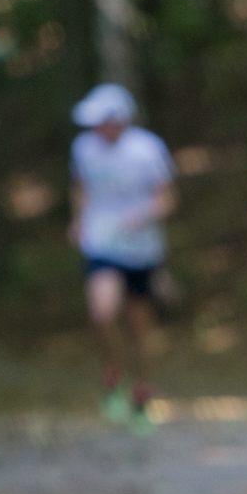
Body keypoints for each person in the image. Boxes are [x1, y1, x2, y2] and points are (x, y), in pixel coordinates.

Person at [67, 83, 177, 430]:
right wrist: (79, 220)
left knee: (139, 329)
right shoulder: (83, 148)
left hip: (141, 249)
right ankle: (113, 373)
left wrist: (141, 216)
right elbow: (80, 187)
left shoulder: (147, 150)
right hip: (102, 243)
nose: (95, 129)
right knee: (103, 312)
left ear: (119, 120)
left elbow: (166, 199)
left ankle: (142, 393)